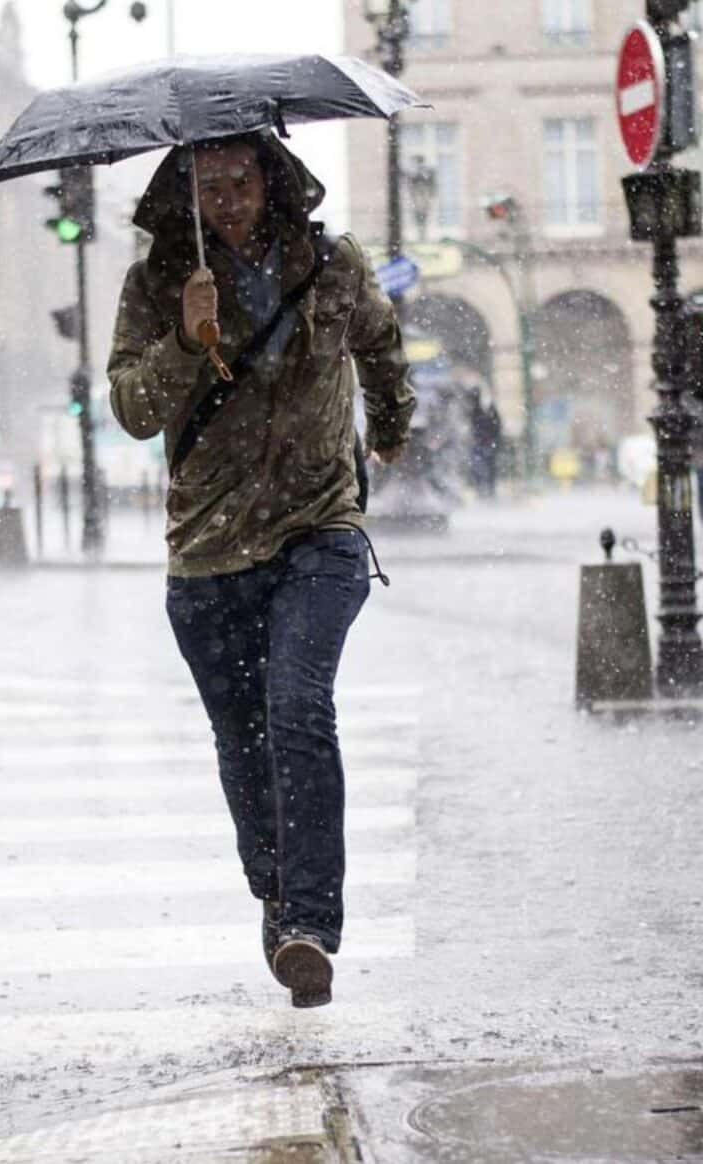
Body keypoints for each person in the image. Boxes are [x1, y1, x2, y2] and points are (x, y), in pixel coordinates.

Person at [108, 132, 415, 1008]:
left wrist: (391, 424)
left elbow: (382, 347)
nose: (229, 199)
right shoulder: (158, 284)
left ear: (272, 179)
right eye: (210, 186)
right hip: (206, 556)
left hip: (320, 531)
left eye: (243, 179)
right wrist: (183, 337)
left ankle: (313, 921)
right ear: (188, 194)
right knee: (242, 748)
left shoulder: (331, 264)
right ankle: (279, 904)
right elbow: (131, 410)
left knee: (298, 707)